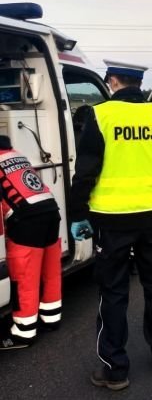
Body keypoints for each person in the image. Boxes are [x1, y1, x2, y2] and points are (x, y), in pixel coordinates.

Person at [70, 60, 152, 391]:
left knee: (114, 292)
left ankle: (115, 370)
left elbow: (86, 171)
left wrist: (78, 213)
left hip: (113, 220)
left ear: (114, 82)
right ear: (140, 83)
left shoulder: (101, 114)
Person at [0, 136, 61, 350]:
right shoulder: (17, 155)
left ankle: (24, 333)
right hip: (51, 213)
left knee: (25, 277)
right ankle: (51, 318)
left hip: (27, 220)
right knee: (50, 271)